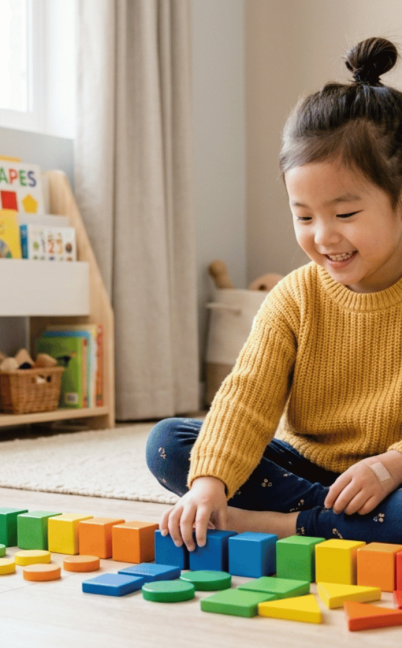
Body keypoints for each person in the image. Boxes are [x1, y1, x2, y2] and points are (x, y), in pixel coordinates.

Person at [146, 37, 402, 551]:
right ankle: (340, 521)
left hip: (395, 470)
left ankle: (277, 525)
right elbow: (246, 397)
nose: (323, 236)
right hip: (307, 464)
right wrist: (208, 484)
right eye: (303, 216)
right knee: (170, 445)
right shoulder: (295, 295)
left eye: (345, 214)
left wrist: (389, 466)